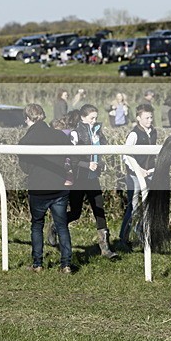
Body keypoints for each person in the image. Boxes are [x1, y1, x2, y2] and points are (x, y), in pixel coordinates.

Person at [18, 104, 73, 273]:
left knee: (37, 225)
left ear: (27, 119)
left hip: (38, 188)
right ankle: (66, 265)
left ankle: (38, 264)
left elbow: (25, 168)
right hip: (59, 188)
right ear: (43, 116)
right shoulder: (59, 135)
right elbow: (70, 157)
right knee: (62, 226)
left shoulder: (25, 141)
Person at [67, 104, 118, 258]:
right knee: (75, 213)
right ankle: (56, 225)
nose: (94, 121)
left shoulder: (97, 132)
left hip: (93, 178)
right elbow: (72, 159)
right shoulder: (75, 133)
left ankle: (105, 248)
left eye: (96, 118)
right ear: (83, 118)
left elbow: (104, 150)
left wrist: (100, 163)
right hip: (79, 179)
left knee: (99, 210)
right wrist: (87, 164)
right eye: (91, 118)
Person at [118, 104, 157, 251]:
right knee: (133, 208)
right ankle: (124, 238)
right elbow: (126, 155)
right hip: (134, 175)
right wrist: (139, 169)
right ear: (138, 118)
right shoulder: (134, 134)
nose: (149, 120)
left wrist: (151, 170)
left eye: (151, 117)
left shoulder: (154, 132)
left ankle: (143, 235)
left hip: (149, 174)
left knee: (148, 206)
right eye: (146, 118)